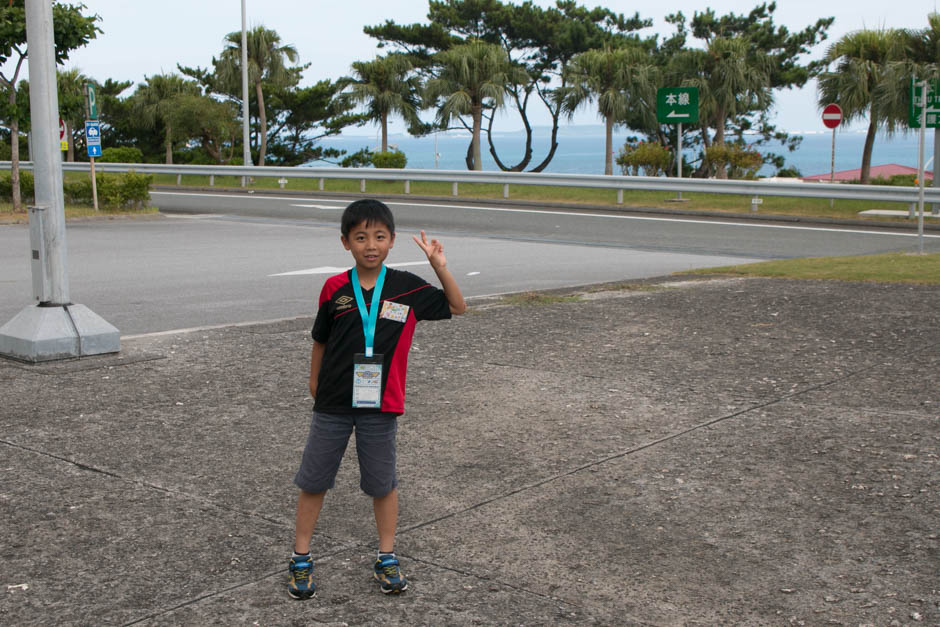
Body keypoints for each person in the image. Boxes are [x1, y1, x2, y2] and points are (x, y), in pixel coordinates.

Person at [288, 199, 466, 599]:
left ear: (392, 241)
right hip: (333, 402)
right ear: (345, 242)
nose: (371, 244)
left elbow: (458, 306)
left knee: (382, 483)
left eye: (379, 237)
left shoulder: (407, 287)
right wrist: (314, 382)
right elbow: (320, 338)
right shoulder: (334, 287)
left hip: (382, 404)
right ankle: (301, 557)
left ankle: (386, 556)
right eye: (361, 237)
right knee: (313, 480)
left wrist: (439, 265)